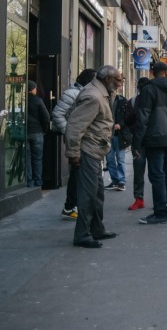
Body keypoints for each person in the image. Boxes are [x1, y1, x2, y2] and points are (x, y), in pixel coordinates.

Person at [65, 66, 122, 248]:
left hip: (95, 150)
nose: (120, 84)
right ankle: (82, 235)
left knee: (97, 194)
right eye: (118, 80)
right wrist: (73, 153)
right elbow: (75, 126)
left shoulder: (102, 93)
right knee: (88, 195)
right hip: (87, 151)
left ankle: (97, 229)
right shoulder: (93, 95)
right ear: (107, 79)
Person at [132, 62, 167, 225]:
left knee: (157, 175)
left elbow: (143, 117)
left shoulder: (149, 89)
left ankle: (160, 212)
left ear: (152, 73)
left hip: (154, 138)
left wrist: (136, 143)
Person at [52, 69, 97, 219]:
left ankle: (73, 205)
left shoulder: (88, 93)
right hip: (77, 140)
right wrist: (70, 132)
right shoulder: (72, 94)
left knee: (81, 173)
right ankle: (70, 206)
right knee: (77, 173)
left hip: (86, 138)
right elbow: (57, 114)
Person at [124, 77, 150, 211]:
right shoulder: (135, 102)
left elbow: (127, 121)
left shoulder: (133, 101)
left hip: (139, 141)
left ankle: (139, 199)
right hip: (150, 140)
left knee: (139, 172)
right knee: (156, 173)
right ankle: (158, 201)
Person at [104, 91, 131, 191]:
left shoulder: (122, 101)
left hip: (119, 135)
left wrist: (121, 124)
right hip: (107, 134)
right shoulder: (104, 100)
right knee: (109, 159)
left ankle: (121, 182)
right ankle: (115, 181)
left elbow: (129, 116)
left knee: (120, 159)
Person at [26, 80, 50, 188]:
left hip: (25, 133)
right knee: (37, 159)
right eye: (35, 88)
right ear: (32, 89)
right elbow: (46, 117)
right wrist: (44, 130)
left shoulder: (22, 100)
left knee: (27, 158)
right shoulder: (38, 100)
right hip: (37, 132)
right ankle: (38, 182)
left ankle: (29, 181)